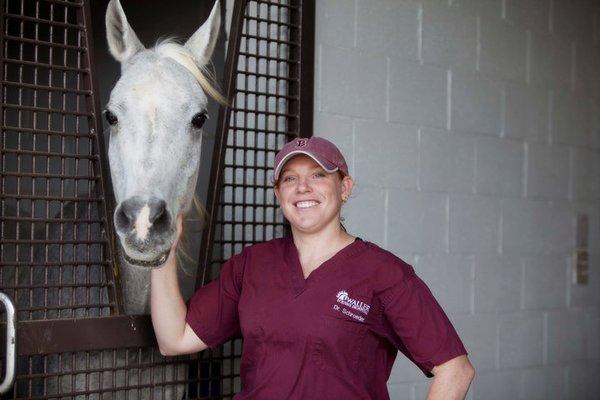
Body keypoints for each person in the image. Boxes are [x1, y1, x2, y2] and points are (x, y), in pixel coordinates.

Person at [151, 137, 475, 399]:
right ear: (279, 194)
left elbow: (455, 370)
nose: (303, 187)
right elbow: (174, 339)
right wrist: (162, 252)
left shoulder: (384, 273)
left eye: (318, 175)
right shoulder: (252, 265)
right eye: (290, 178)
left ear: (345, 188)